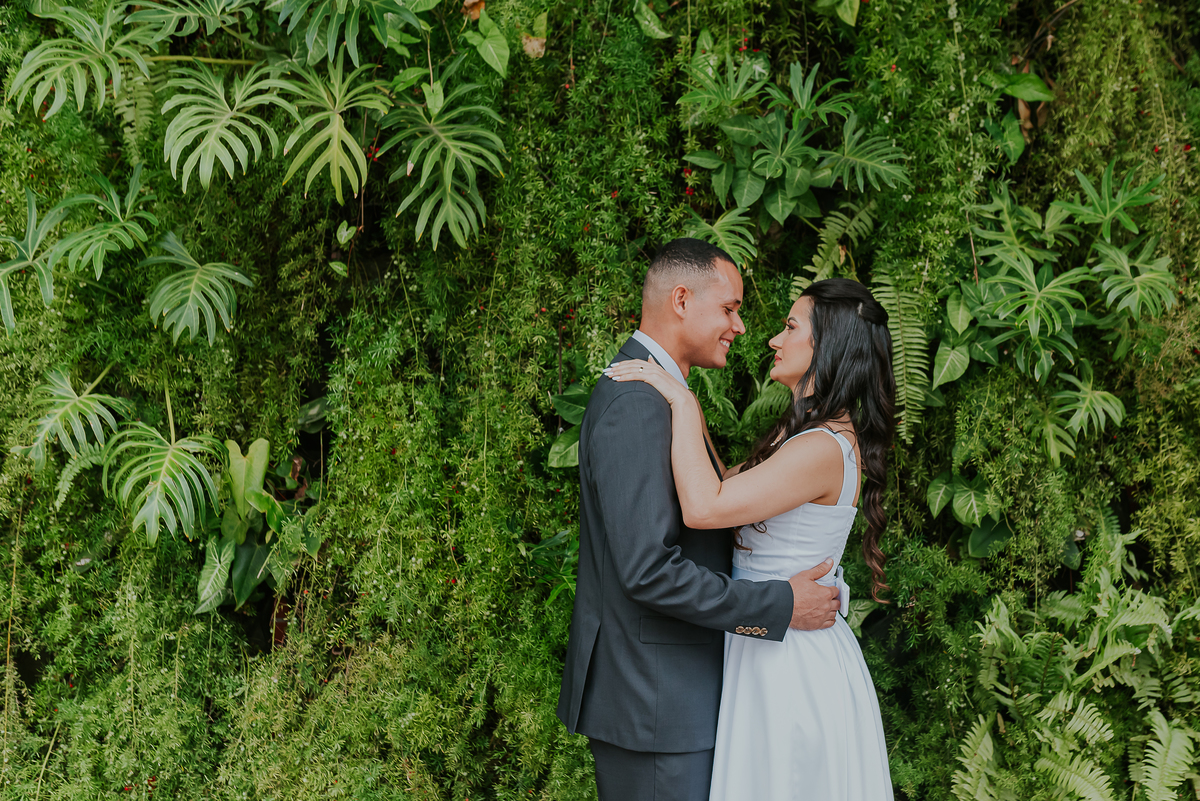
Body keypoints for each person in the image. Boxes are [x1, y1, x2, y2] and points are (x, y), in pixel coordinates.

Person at [556, 239, 842, 801]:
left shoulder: (663, 395)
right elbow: (648, 571)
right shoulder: (637, 403)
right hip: (654, 703)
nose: (740, 326)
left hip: (672, 699)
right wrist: (779, 605)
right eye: (729, 308)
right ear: (682, 300)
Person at [605, 277, 895, 800]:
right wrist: (686, 406)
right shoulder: (801, 436)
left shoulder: (822, 448)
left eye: (790, 327)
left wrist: (681, 402)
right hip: (764, 642)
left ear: (827, 346)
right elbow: (720, 485)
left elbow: (704, 507)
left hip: (791, 658)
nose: (773, 340)